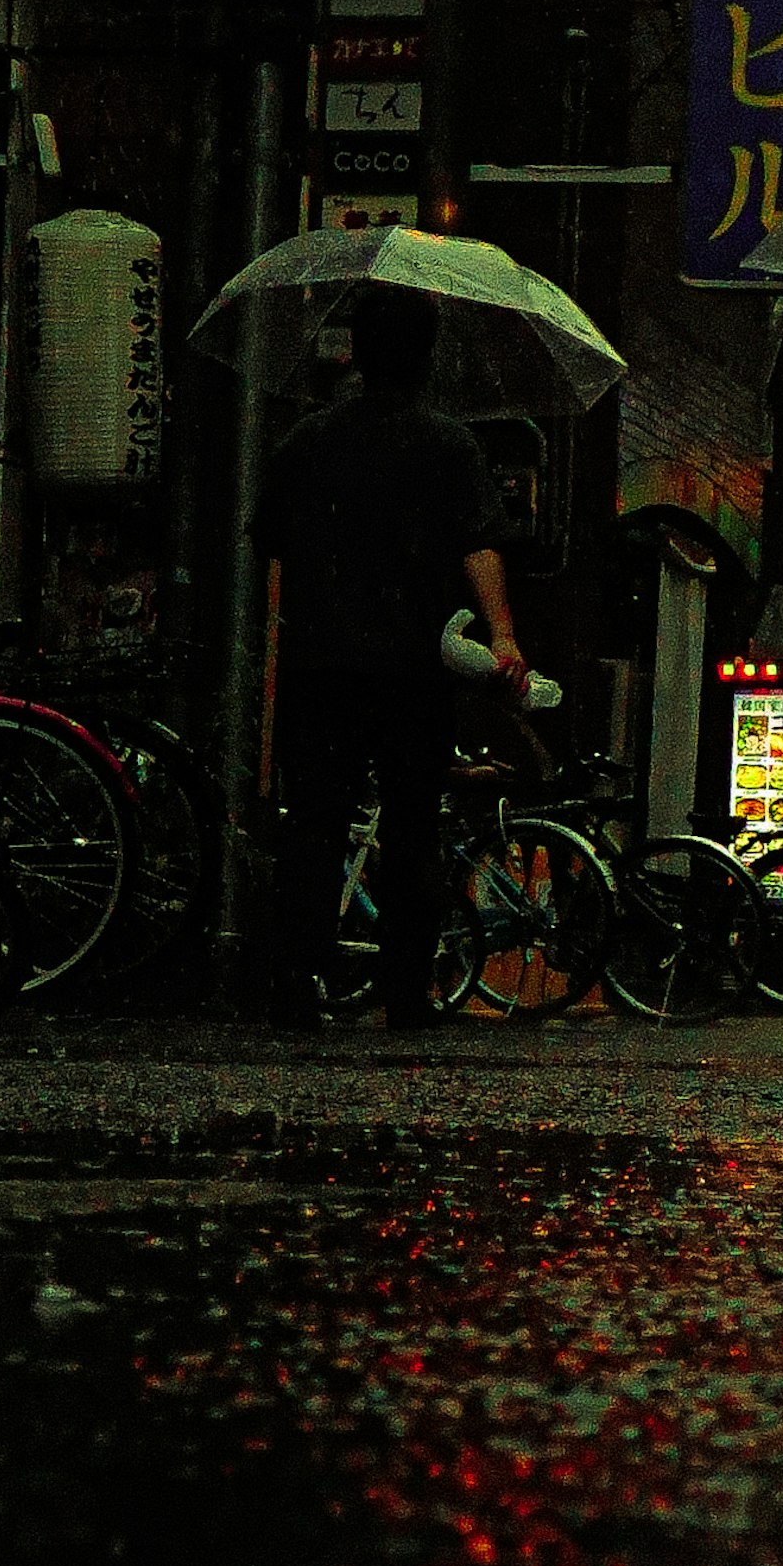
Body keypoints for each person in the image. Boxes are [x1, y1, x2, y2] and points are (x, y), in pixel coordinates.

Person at [255, 289, 533, 1029]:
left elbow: (270, 547)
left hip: (320, 665)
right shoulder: (449, 444)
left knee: (315, 822)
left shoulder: (307, 441)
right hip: (414, 668)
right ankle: (406, 990)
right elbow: (479, 544)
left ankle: (293, 983)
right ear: (426, 356)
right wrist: (501, 636)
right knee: (413, 825)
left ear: (358, 351)